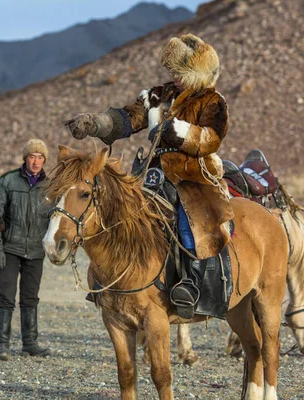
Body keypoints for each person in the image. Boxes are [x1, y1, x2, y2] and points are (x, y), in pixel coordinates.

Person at [65, 34, 234, 319]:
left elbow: (211, 139)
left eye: (179, 73)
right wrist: (96, 123)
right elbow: (129, 118)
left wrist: (179, 132)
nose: (174, 78)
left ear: (196, 74)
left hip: (190, 177)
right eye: (172, 73)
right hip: (152, 174)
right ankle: (110, 281)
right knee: (116, 210)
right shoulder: (160, 95)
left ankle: (190, 285)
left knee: (187, 222)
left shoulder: (212, 102)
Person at [0, 139, 52, 360]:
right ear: (25, 158)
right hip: (10, 249)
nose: (36, 161)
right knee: (6, 297)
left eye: (40, 157)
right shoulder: (8, 181)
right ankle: (1, 345)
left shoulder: (51, 186)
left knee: (30, 298)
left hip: (35, 251)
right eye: (32, 156)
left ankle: (30, 343)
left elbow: (58, 219)